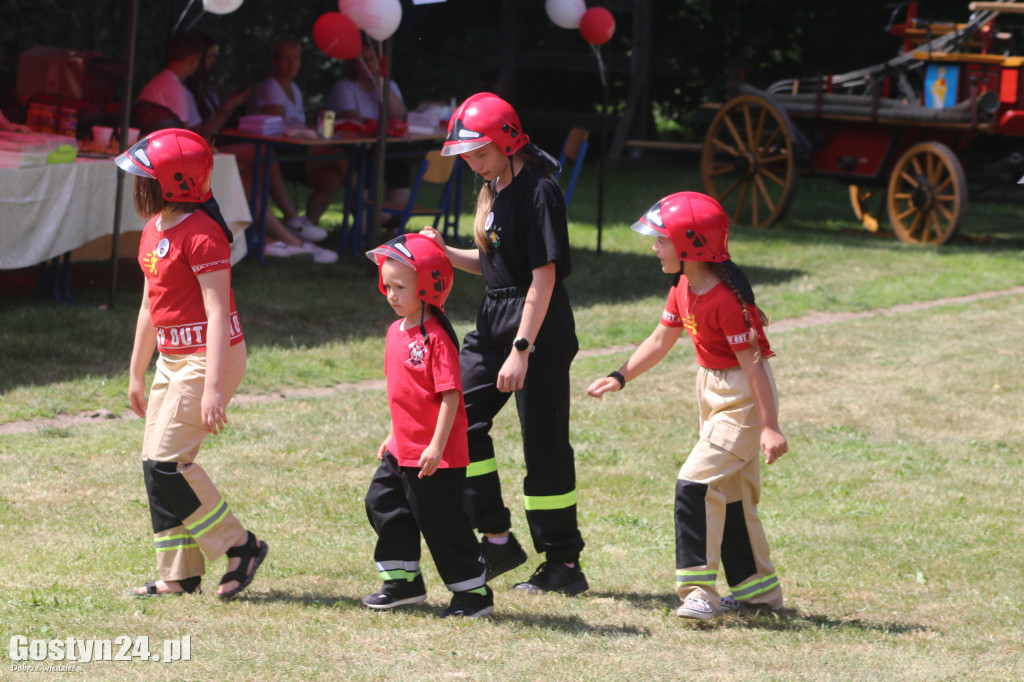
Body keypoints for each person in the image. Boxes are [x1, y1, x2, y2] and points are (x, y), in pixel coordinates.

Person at [586, 192, 788, 621]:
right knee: (731, 497)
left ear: (691, 244)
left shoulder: (726, 301)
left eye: (661, 240)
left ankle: (698, 590)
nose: (654, 248)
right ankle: (759, 594)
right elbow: (660, 340)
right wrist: (619, 376)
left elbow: (755, 367)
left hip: (742, 401)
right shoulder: (683, 287)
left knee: (694, 484)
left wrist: (770, 427)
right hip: (712, 392)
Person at [420, 93, 586, 595]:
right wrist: (443, 251)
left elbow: (542, 278)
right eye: (465, 154)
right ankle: (496, 538)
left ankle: (563, 564)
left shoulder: (539, 191)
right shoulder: (493, 186)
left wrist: (522, 348)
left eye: (480, 152)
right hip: (494, 317)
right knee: (456, 420)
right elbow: (494, 263)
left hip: (537, 327)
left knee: (545, 445)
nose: (471, 161)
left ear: (509, 141)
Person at [117, 128, 268, 598]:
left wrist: (213, 389)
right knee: (156, 464)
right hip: (172, 358)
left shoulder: (203, 236)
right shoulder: (153, 228)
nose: (136, 183)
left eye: (144, 175)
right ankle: (179, 576)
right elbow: (149, 306)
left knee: (167, 465)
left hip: (209, 358)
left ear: (172, 181)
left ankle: (241, 546)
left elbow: (219, 313)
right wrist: (136, 371)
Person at [362, 233, 493, 618]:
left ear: (429, 285)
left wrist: (436, 446)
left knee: (441, 523)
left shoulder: (436, 337)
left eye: (401, 286)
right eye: (387, 285)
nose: (391, 293)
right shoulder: (394, 332)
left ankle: (473, 594)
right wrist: (392, 433)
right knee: (382, 502)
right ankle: (403, 583)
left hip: (436, 454)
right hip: (403, 448)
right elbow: (402, 395)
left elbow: (451, 396)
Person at [140, 32, 334, 263]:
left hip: (184, 159)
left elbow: (198, 133)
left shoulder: (178, 86)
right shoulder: (173, 88)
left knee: (254, 171)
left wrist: (228, 108)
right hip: (178, 164)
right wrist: (228, 110)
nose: (211, 62)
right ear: (194, 58)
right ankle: (288, 234)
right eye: (209, 56)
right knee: (259, 159)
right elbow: (192, 138)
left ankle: (277, 238)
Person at [251, 40, 348, 227]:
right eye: (285, 59)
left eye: (295, 58)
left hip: (296, 152)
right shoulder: (270, 87)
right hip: (278, 155)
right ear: (274, 61)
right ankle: (364, 202)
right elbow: (281, 128)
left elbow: (297, 125)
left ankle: (305, 226)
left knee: (331, 178)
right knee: (339, 156)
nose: (291, 64)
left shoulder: (294, 88)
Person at [327, 40, 411, 207]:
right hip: (355, 150)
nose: (368, 64)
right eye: (363, 59)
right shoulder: (345, 86)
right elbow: (351, 119)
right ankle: (364, 220)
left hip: (382, 148)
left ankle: (393, 224)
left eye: (372, 59)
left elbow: (400, 115)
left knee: (400, 169)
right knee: (365, 170)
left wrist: (381, 84)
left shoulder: (389, 85)